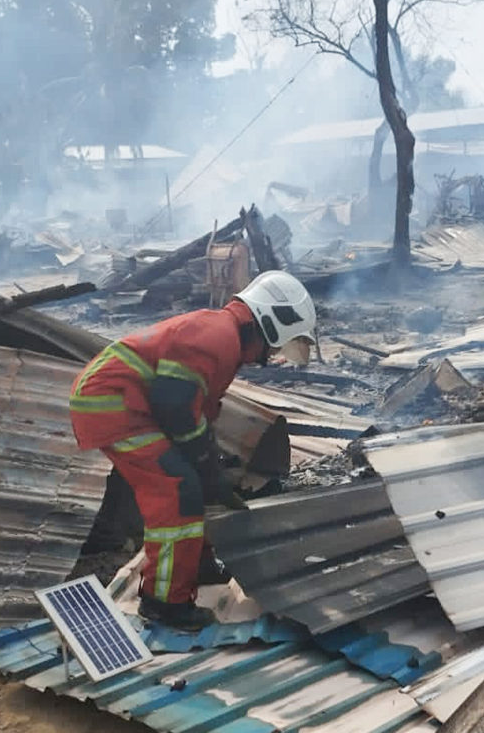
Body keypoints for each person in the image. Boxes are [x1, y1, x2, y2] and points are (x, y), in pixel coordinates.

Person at [69, 270, 317, 630]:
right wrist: (204, 464)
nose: (274, 354)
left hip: (133, 405)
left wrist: (208, 463)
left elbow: (193, 410)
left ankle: (194, 566)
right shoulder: (218, 338)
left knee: (192, 480)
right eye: (278, 345)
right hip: (113, 406)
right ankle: (164, 603)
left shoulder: (222, 335)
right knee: (177, 488)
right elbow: (174, 404)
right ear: (271, 323)